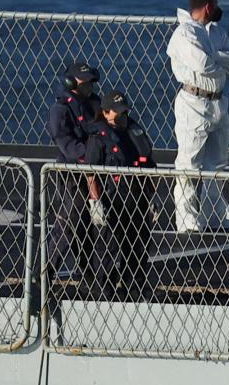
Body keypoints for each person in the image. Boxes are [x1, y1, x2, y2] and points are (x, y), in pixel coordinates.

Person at [166, 0, 229, 234]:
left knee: (217, 162)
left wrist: (215, 57)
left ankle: (214, 212)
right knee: (189, 163)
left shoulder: (216, 31)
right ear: (209, 6)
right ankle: (186, 217)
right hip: (194, 102)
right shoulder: (184, 33)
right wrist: (220, 58)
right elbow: (203, 66)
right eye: (216, 4)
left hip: (217, 102)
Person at [84, 90, 157, 300]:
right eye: (117, 112)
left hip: (137, 198)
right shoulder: (99, 138)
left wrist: (152, 199)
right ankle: (103, 293)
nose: (122, 115)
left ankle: (134, 291)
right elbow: (91, 173)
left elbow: (149, 166)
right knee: (107, 249)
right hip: (111, 199)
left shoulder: (135, 132)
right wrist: (95, 202)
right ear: (106, 113)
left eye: (124, 111)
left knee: (138, 248)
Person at [46, 60, 101, 279]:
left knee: (87, 225)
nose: (89, 86)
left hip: (96, 169)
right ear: (71, 82)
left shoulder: (95, 104)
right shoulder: (60, 110)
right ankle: (47, 272)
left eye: (91, 82)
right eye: (85, 82)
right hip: (72, 173)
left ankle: (87, 273)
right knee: (70, 221)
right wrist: (91, 156)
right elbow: (67, 144)